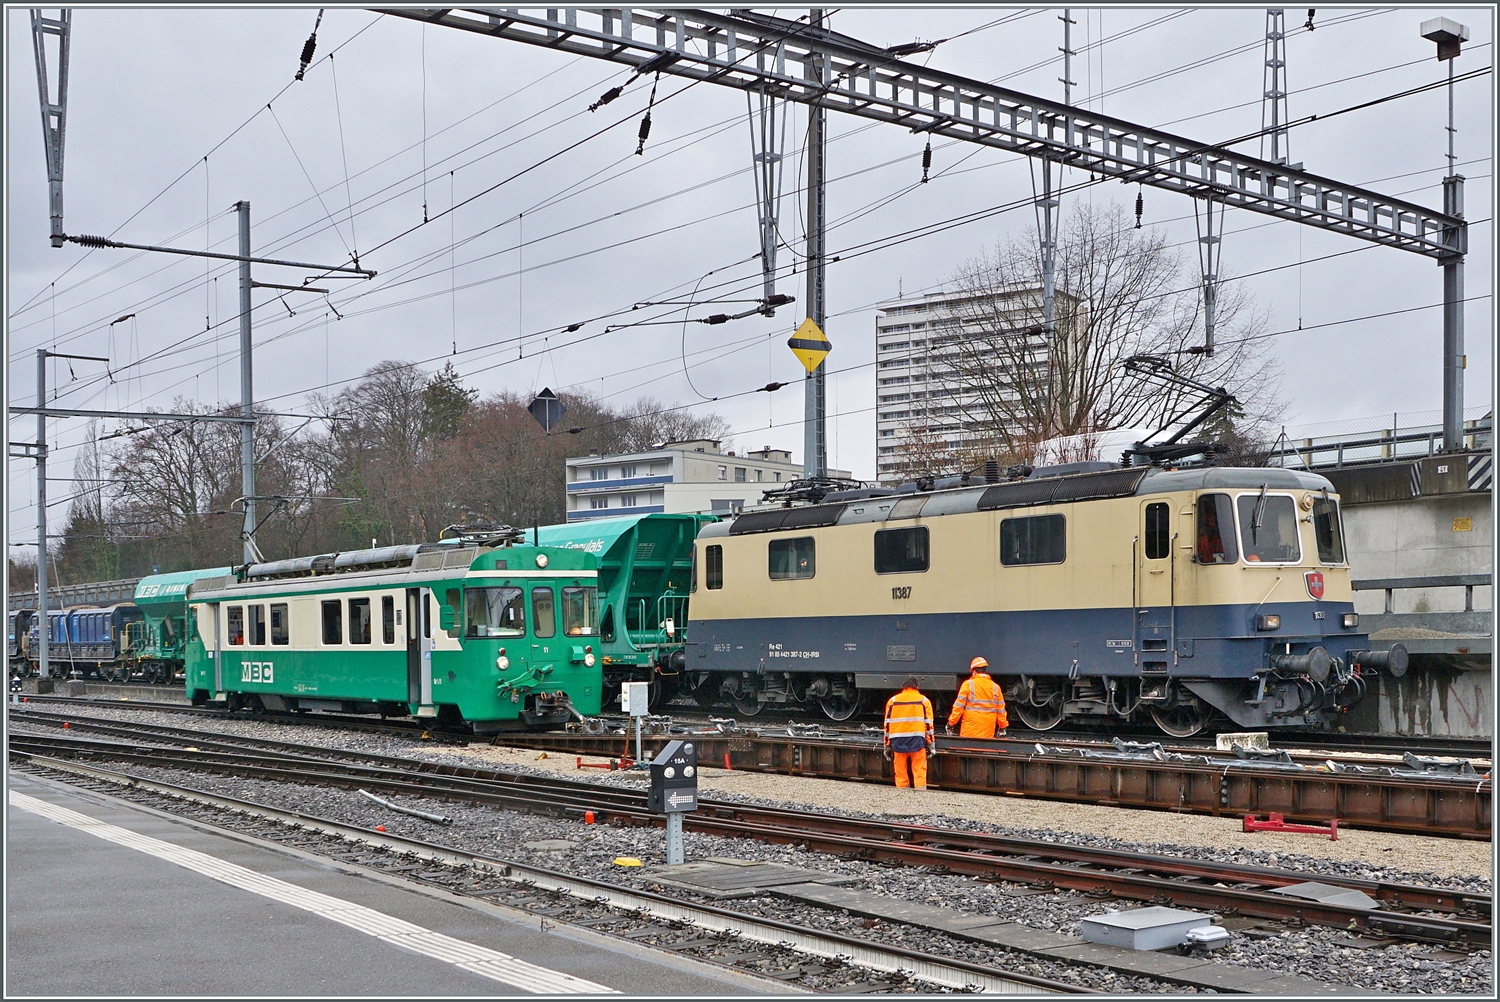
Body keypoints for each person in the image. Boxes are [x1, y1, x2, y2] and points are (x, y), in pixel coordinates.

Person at [883, 675, 935, 791]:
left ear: (903, 687)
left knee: (900, 770)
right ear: (917, 686)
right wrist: (931, 744)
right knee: (919, 769)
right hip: (917, 741)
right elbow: (928, 725)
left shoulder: (893, 701)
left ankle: (902, 794)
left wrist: (887, 745)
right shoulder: (923, 701)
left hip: (898, 741)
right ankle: (920, 792)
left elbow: (887, 725)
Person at [946, 656, 1008, 738]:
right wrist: (1002, 726)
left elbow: (958, 707)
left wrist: (951, 723)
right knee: (985, 747)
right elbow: (1001, 710)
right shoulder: (996, 687)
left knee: (968, 748)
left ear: (974, 671)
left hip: (970, 727)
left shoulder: (967, 685)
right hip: (988, 728)